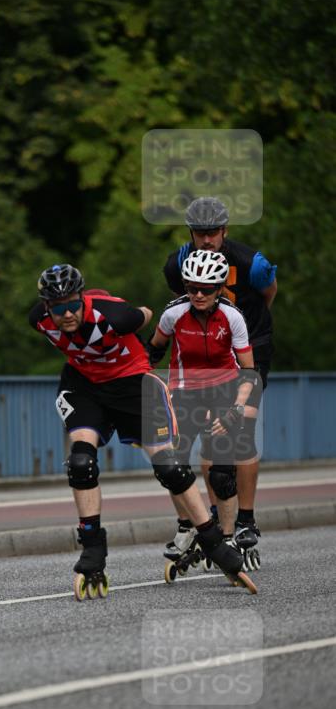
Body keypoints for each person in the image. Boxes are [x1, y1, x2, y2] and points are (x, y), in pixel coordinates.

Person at [28, 263, 255, 598]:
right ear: (47, 307)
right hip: (85, 386)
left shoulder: (113, 317)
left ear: (82, 299)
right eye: (58, 309)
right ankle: (92, 551)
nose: (67, 315)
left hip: (132, 383)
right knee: (81, 463)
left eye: (73, 305)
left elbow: (145, 314)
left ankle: (213, 542)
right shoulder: (38, 319)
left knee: (169, 468)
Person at [163, 197, 277, 556]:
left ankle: (246, 518)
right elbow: (184, 304)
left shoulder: (251, 263)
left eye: (213, 233)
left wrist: (247, 325)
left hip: (249, 344)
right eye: (200, 233)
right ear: (191, 233)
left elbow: (269, 292)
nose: (207, 240)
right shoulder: (178, 263)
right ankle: (215, 517)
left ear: (225, 231)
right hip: (207, 348)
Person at [147, 250, 259, 570]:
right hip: (184, 392)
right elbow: (152, 350)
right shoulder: (173, 314)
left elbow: (249, 370)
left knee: (222, 474)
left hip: (225, 392)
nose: (197, 294)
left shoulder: (233, 317)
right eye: (192, 287)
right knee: (172, 465)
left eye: (206, 289)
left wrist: (236, 409)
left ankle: (225, 538)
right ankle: (186, 526)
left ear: (220, 288)